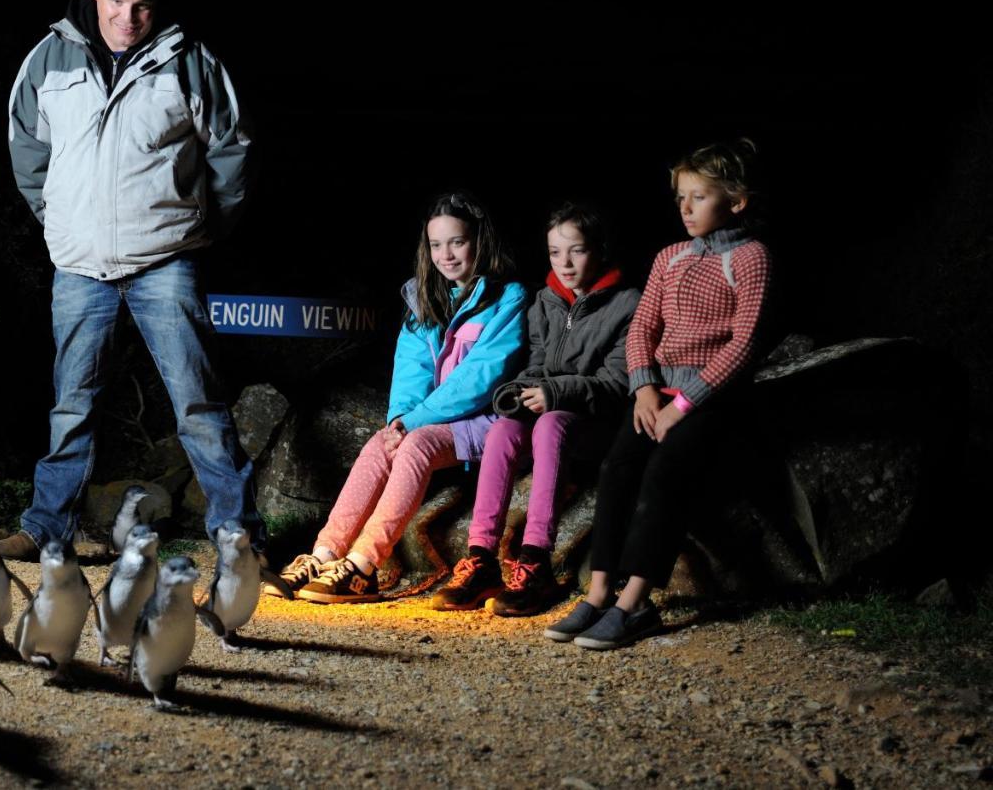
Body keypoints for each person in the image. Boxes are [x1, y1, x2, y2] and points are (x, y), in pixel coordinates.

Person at [0, 0, 261, 561]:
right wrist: (59, 223)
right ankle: (46, 528)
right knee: (71, 407)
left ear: (156, 1)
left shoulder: (190, 62)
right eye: (117, 0)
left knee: (198, 405)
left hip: (166, 262)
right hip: (79, 267)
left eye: (141, 5)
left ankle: (240, 538)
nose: (127, 16)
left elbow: (232, 152)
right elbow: (26, 149)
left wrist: (197, 228)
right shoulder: (48, 60)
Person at [544, 139, 774, 649]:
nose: (685, 208)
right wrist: (645, 388)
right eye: (680, 198)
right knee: (615, 468)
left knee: (663, 474)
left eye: (698, 197)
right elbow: (644, 326)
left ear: (735, 202)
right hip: (656, 393)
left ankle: (636, 603)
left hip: (708, 398)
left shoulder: (750, 257)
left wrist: (682, 405)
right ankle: (600, 593)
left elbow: (744, 342)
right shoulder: (670, 257)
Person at [268, 192, 528, 603]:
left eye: (457, 242)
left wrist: (415, 422)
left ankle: (364, 565)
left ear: (479, 241)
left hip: (482, 421)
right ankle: (324, 554)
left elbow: (481, 378)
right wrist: (398, 420)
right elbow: (411, 373)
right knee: (379, 444)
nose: (446, 254)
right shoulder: (422, 298)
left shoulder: (507, 297)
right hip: (430, 417)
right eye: (436, 244)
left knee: (417, 444)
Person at [432, 202, 640, 617]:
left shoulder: (627, 303)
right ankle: (482, 557)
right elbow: (536, 365)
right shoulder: (545, 300)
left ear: (598, 249)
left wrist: (555, 393)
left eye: (576, 251)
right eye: (555, 252)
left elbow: (617, 384)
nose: (564, 263)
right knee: (504, 430)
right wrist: (518, 392)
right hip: (548, 411)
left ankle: (536, 560)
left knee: (551, 424)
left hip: (595, 424)